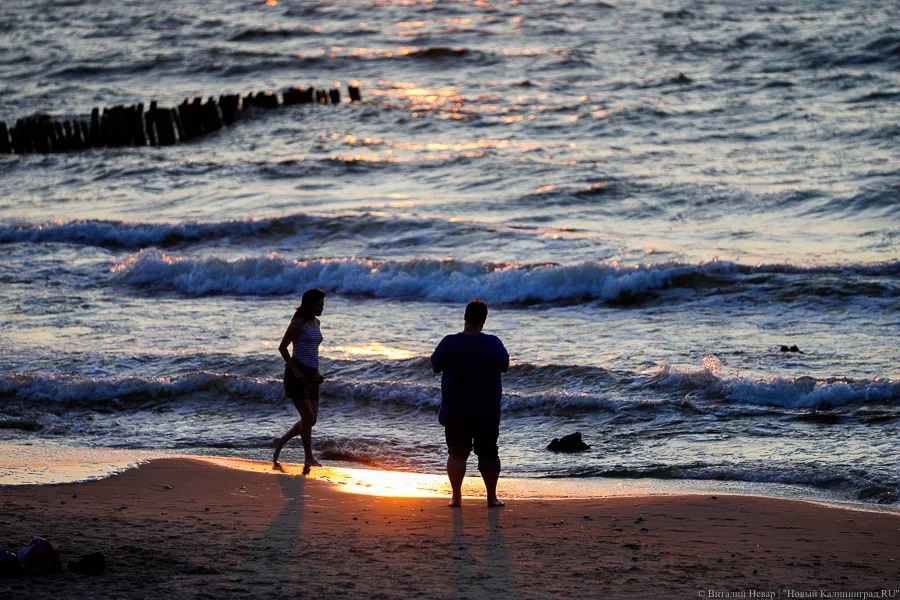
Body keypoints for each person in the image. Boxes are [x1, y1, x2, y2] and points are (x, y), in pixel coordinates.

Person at [431, 299, 509, 508]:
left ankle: (456, 497)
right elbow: (505, 365)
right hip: (486, 409)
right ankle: (491, 497)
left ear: (465, 317)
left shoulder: (449, 342)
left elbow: (435, 366)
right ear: (483, 320)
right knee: (489, 453)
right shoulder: (493, 342)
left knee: (457, 453)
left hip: (456, 408)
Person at [274, 288, 327, 470]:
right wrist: (296, 371)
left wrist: (316, 374)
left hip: (312, 374)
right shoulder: (298, 322)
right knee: (308, 417)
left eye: (322, 304)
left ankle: (281, 441)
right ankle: (308, 458)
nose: (321, 308)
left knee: (311, 420)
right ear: (309, 304)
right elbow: (282, 348)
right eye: (318, 304)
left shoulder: (316, 323)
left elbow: (313, 351)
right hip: (296, 374)